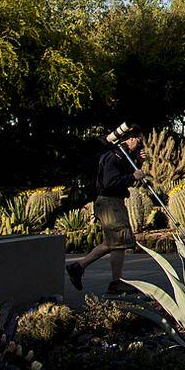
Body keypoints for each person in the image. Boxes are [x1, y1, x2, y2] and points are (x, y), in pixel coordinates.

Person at [66, 126, 146, 294]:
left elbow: (122, 177)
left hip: (113, 202)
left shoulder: (120, 157)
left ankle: (79, 267)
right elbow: (111, 182)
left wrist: (137, 162)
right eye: (137, 141)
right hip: (110, 202)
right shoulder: (113, 157)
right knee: (119, 240)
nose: (138, 144)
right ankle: (116, 283)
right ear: (129, 139)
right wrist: (133, 176)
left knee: (114, 242)